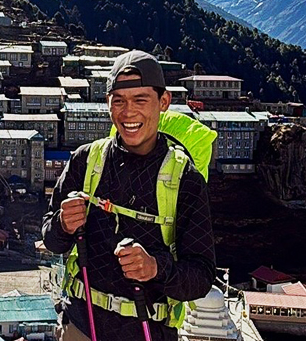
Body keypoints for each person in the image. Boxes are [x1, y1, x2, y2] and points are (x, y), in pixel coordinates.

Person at [42, 50, 215, 341]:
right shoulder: (86, 161)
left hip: (148, 331)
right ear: (108, 104)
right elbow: (50, 237)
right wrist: (62, 224)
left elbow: (200, 276)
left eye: (140, 100)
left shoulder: (185, 179)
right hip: (81, 326)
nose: (128, 112)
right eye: (118, 101)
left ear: (163, 103)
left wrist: (155, 268)